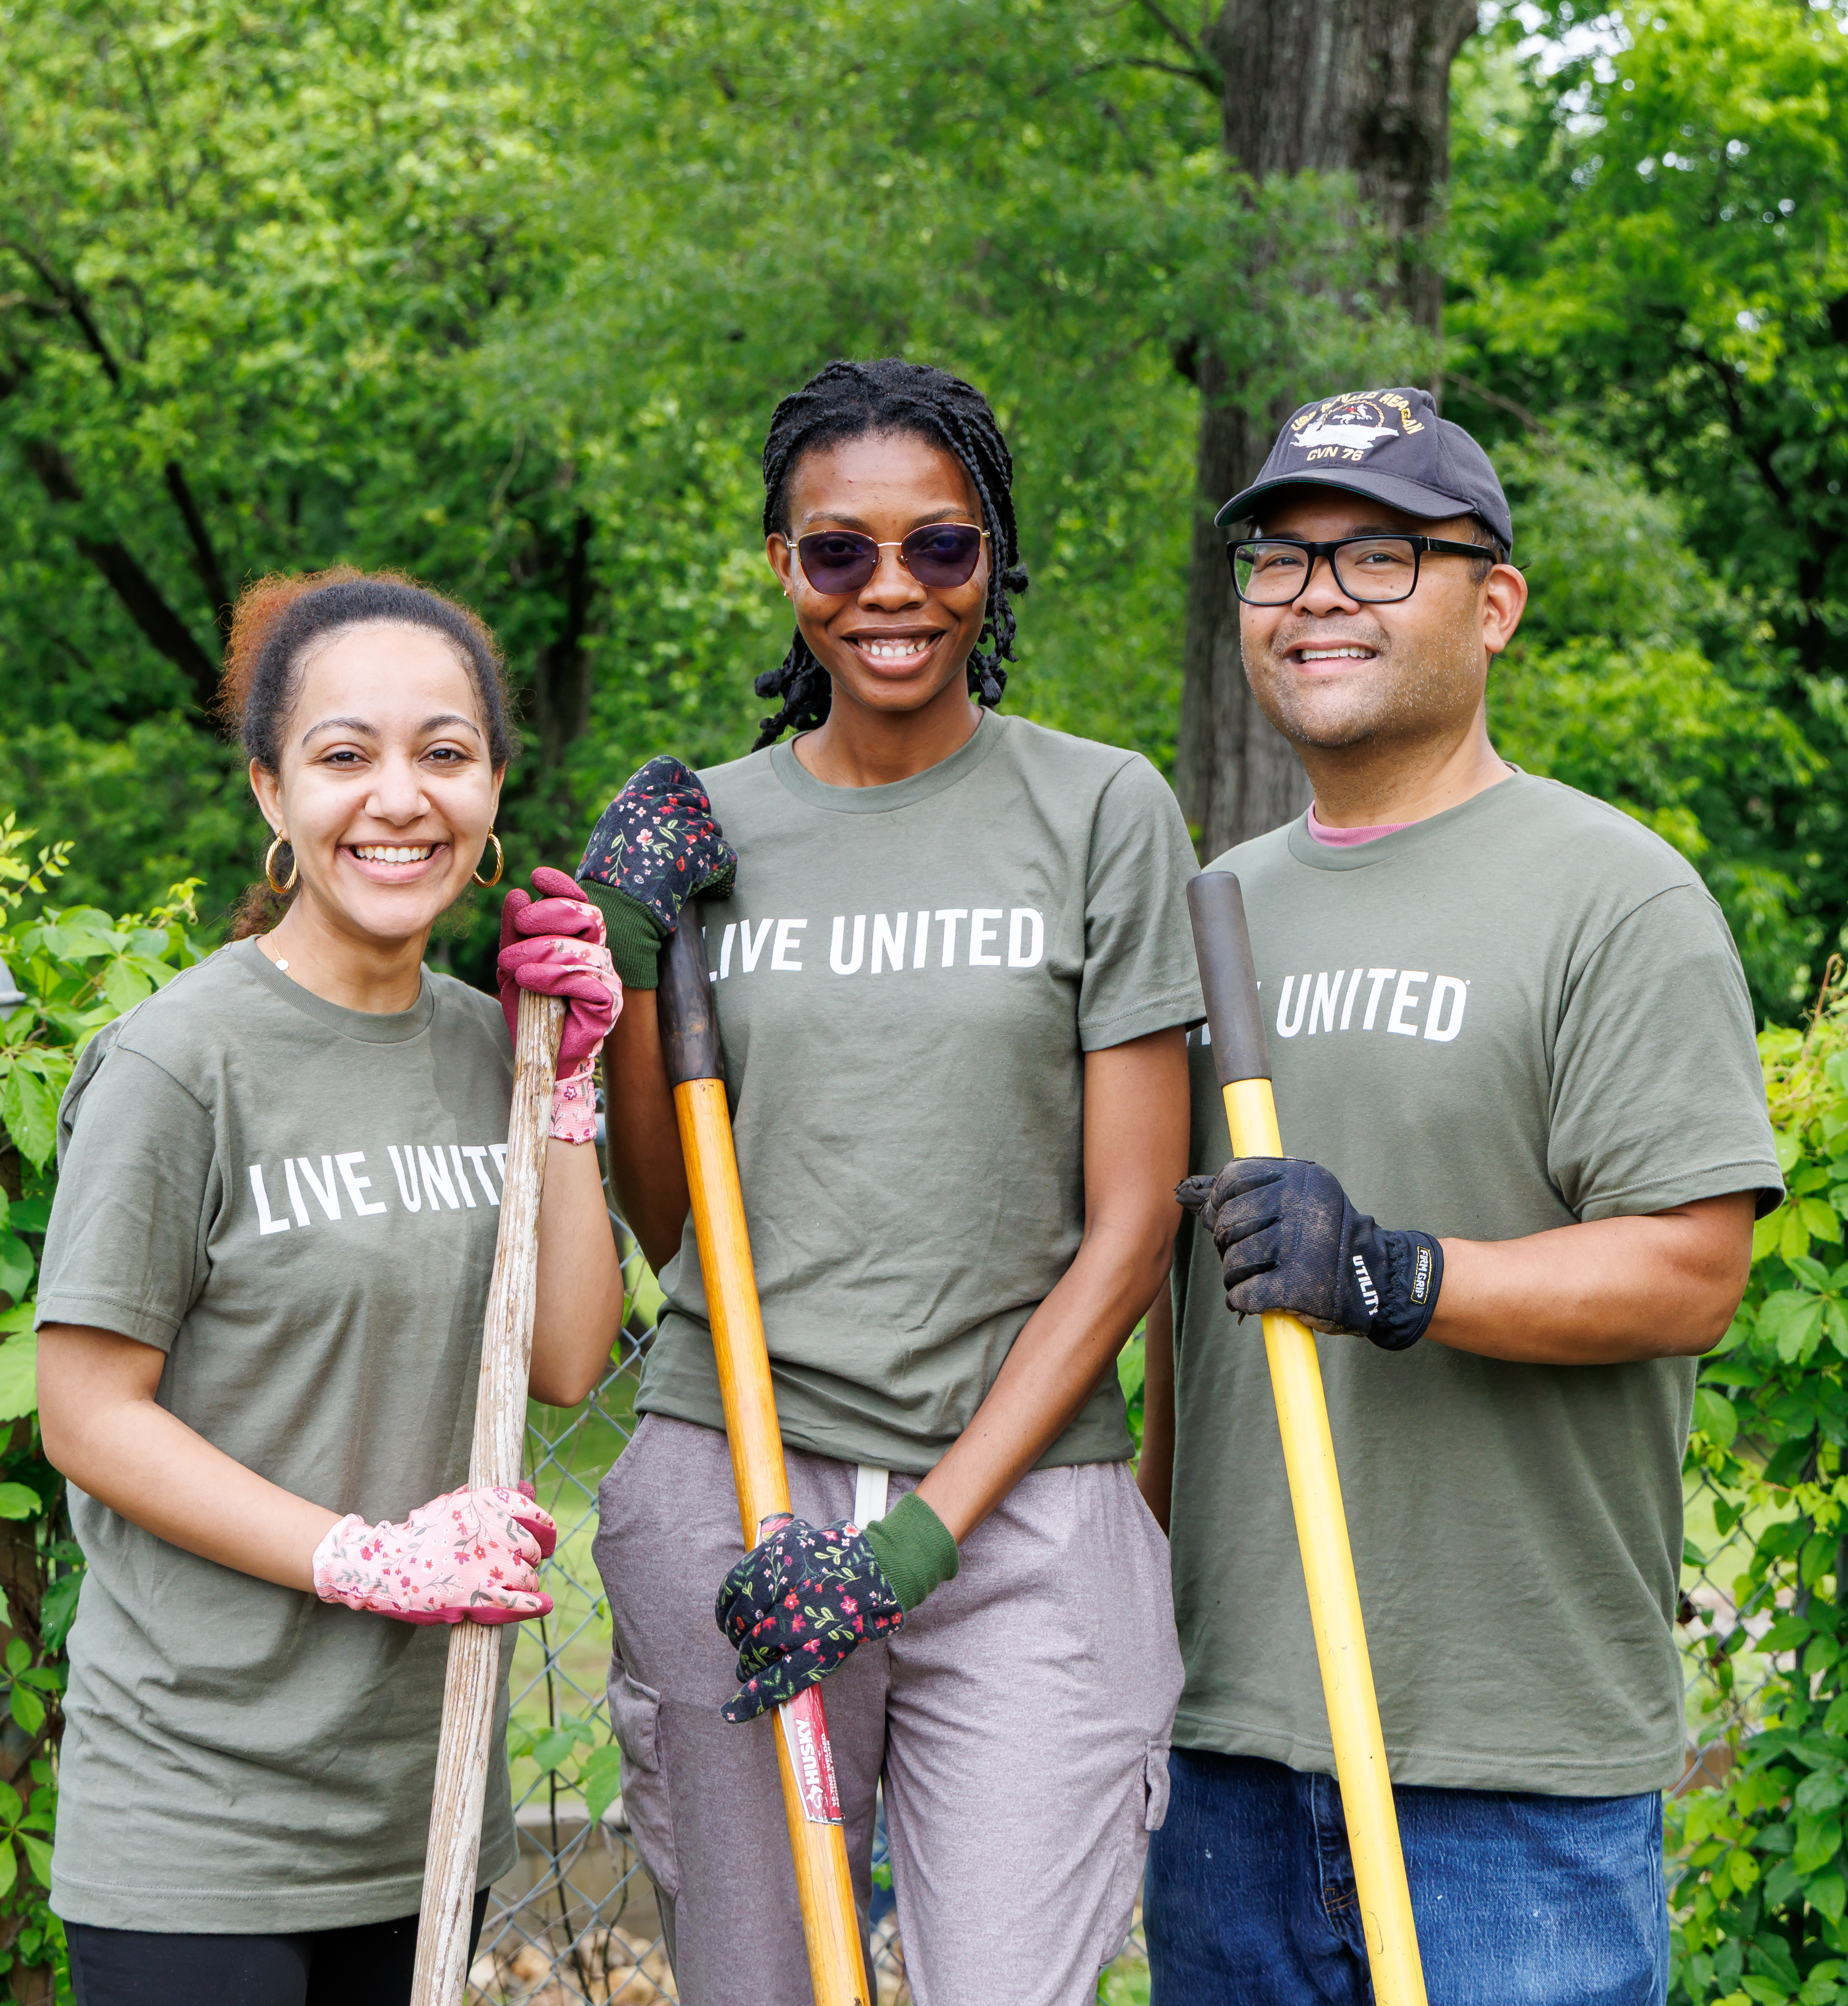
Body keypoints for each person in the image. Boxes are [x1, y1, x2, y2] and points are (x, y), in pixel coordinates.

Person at [1138, 387, 1782, 2006]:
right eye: (1279, 561)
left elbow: (1693, 1271)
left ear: (1492, 604)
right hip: (1226, 1757)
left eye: (1377, 558)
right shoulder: (1208, 912)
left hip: (1509, 1778)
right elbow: (1181, 1322)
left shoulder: (1612, 896)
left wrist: (1390, 1275)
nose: (1316, 598)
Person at [577, 358, 1198, 2006]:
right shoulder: (709, 828)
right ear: (783, 568)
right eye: (839, 552)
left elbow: (1133, 1226)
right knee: (762, 1986)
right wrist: (633, 953)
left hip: (1018, 1512)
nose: (892, 591)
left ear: (994, 557)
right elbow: (671, 1217)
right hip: (740, 1483)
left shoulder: (1101, 809)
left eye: (939, 545)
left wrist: (917, 1540)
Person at [32, 568, 628, 2006]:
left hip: (420, 1803)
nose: (398, 798)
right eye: (344, 754)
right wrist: (358, 1556)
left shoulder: (491, 1043)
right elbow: (86, 1416)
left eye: (445, 752)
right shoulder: (181, 1063)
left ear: (492, 788)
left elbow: (565, 1357)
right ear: (271, 790)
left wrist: (564, 1093)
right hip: (200, 1816)